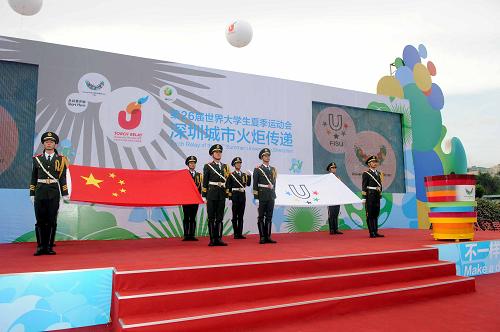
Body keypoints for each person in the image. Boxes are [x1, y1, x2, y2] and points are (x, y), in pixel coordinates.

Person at [29, 131, 69, 255]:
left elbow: (62, 177)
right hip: (40, 191)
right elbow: (33, 177)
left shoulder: (61, 160)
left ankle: (49, 246)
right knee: (40, 220)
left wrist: (64, 193)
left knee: (51, 220)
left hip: (53, 192)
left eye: (51, 142)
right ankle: (40, 247)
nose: (49, 143)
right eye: (47, 142)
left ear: (55, 144)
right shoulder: (37, 159)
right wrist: (32, 193)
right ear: (43, 144)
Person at [202, 144, 230, 246]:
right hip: (211, 194)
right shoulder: (208, 166)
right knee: (211, 218)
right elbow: (205, 181)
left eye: (219, 152)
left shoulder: (225, 167)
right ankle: (212, 239)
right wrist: (204, 196)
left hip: (221, 194)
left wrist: (227, 195)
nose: (218, 154)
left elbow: (227, 182)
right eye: (216, 152)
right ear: (212, 154)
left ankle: (219, 238)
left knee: (220, 218)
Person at [253, 148, 277, 244]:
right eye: (265, 155)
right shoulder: (258, 169)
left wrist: (273, 193)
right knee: (261, 216)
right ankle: (262, 237)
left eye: (268, 155)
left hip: (270, 195)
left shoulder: (273, 169)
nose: (267, 157)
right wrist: (256, 198)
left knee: (269, 217)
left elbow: (274, 183)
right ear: (262, 157)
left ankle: (268, 236)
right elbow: (255, 184)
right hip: (262, 195)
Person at [226, 157, 251, 239]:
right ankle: (236, 233)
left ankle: (240, 233)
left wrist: (249, 176)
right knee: (235, 216)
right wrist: (229, 198)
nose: (238, 165)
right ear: (234, 165)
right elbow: (228, 187)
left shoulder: (244, 175)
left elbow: (248, 184)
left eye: (240, 163)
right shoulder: (231, 175)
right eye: (237, 163)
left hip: (242, 196)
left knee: (241, 215)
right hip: (235, 195)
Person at [362, 155, 385, 238]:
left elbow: (380, 185)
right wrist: (364, 198)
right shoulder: (366, 174)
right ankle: (371, 232)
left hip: (376, 195)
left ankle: (376, 231)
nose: (375, 164)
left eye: (376, 162)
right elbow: (364, 186)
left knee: (376, 213)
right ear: (369, 164)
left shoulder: (379, 173)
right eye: (373, 162)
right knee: (370, 214)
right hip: (370, 195)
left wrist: (380, 193)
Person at [182, 156, 202, 241]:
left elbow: (200, 188)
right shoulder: (184, 174)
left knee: (193, 217)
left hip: (195, 199)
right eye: (191, 163)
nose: (192, 164)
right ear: (188, 164)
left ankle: (192, 235)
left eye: (194, 163)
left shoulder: (199, 175)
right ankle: (186, 235)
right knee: (186, 217)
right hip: (186, 199)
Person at [326, 162, 343, 235]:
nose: (334, 169)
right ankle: (332, 229)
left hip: (337, 197)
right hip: (330, 197)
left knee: (336, 213)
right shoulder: (327, 177)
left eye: (335, 167)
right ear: (329, 169)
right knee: (331, 214)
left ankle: (336, 229)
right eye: (332, 168)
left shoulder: (338, 177)